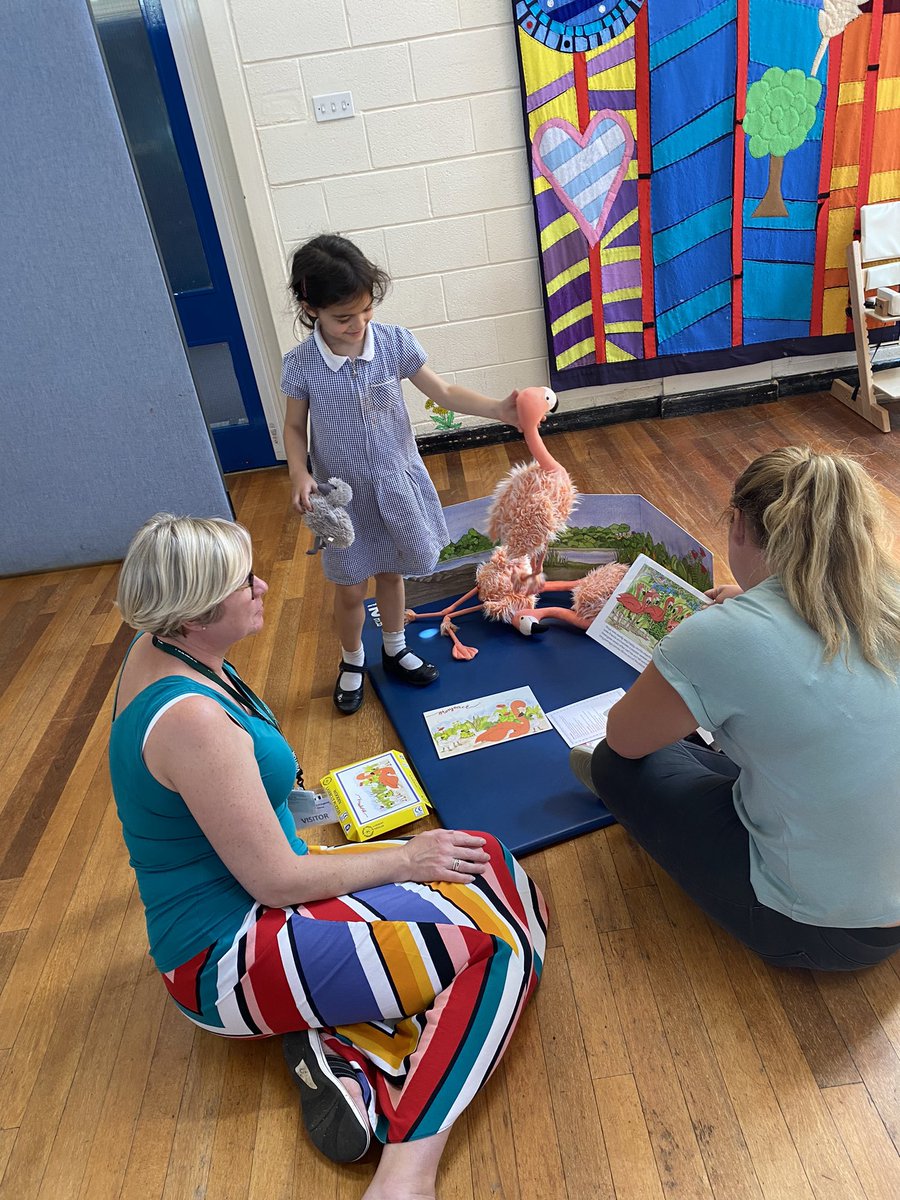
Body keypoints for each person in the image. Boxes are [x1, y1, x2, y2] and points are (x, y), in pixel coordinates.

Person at [109, 514, 547, 1200]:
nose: (260, 585)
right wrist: (403, 859)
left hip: (262, 897)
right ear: (192, 615)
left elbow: (249, 812)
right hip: (227, 952)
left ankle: (343, 1047)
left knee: (485, 856)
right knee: (498, 951)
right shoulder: (190, 720)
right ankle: (408, 1171)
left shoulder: (165, 649)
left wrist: (358, 830)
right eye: (238, 582)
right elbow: (279, 880)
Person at [570, 447, 900, 970]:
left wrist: (696, 643)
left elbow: (625, 737)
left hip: (824, 932)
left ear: (740, 525)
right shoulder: (887, 593)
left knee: (616, 761)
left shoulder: (720, 636)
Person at [281, 233, 520, 715]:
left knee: (392, 574)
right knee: (349, 588)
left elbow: (445, 391)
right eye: (342, 317)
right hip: (343, 502)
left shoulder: (393, 343)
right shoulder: (302, 365)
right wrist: (298, 474)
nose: (356, 325)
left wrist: (500, 408)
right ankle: (353, 660)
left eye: (364, 311)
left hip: (395, 485)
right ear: (310, 308)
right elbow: (292, 426)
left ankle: (394, 646)